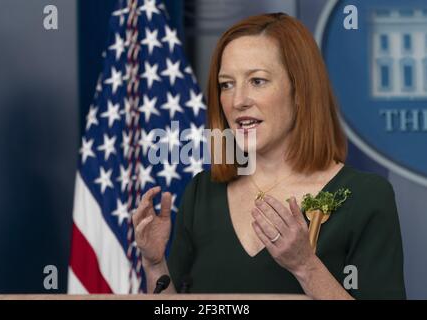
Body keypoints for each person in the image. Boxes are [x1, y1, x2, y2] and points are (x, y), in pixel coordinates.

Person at [132, 13, 406, 299]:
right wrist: (154, 263)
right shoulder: (202, 193)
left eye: (257, 81)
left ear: (300, 90)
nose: (238, 101)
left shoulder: (367, 197)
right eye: (226, 84)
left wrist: (306, 267)